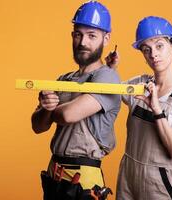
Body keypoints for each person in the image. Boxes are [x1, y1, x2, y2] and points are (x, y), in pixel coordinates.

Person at [31, 1, 121, 199]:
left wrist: (51, 107)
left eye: (92, 36)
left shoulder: (108, 77)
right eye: (78, 34)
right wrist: (46, 109)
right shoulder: (65, 79)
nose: (83, 42)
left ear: (106, 39)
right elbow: (37, 126)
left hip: (83, 179)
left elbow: (68, 115)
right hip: (55, 172)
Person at [114, 16, 172, 200]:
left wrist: (157, 110)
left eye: (159, 46)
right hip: (128, 176)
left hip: (160, 181)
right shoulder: (139, 84)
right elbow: (108, 95)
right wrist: (110, 70)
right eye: (147, 49)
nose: (153, 54)